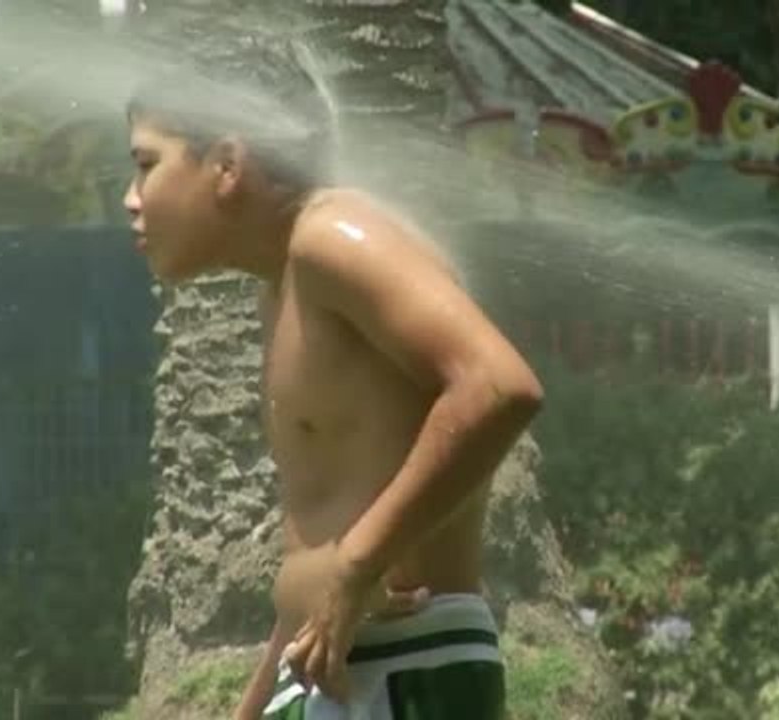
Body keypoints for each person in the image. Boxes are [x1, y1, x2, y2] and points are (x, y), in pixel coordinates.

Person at [122, 49, 543, 720]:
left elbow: (497, 387)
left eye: (147, 165)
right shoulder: (284, 288)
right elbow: (322, 545)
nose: (131, 199)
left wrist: (357, 567)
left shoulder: (334, 239)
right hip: (338, 669)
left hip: (407, 669)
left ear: (227, 166)